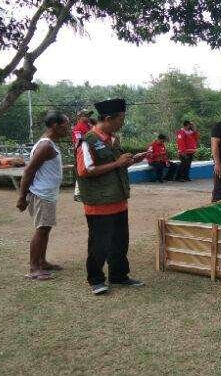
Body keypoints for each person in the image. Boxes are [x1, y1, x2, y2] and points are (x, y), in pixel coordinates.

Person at [75, 98, 149, 295]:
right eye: (120, 120)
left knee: (120, 243)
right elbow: (85, 170)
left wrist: (132, 160)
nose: (122, 124)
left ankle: (119, 275)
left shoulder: (113, 140)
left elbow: (117, 165)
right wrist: (117, 163)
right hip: (99, 203)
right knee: (99, 244)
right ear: (108, 119)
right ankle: (96, 280)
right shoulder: (88, 141)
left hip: (118, 200)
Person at [16, 111, 71, 280]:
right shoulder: (46, 145)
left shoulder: (50, 144)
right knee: (42, 229)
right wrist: (22, 196)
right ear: (55, 125)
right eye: (65, 125)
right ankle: (34, 268)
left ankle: (42, 261)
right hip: (42, 194)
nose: (68, 129)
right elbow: (29, 170)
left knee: (45, 228)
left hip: (47, 194)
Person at [71, 108, 94, 202]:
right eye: (86, 115)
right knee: (82, 171)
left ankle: (86, 191)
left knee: (89, 170)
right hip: (81, 152)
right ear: (80, 117)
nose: (88, 117)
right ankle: (77, 194)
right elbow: (78, 141)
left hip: (89, 151)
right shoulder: (78, 127)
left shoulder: (88, 126)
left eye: (88, 115)